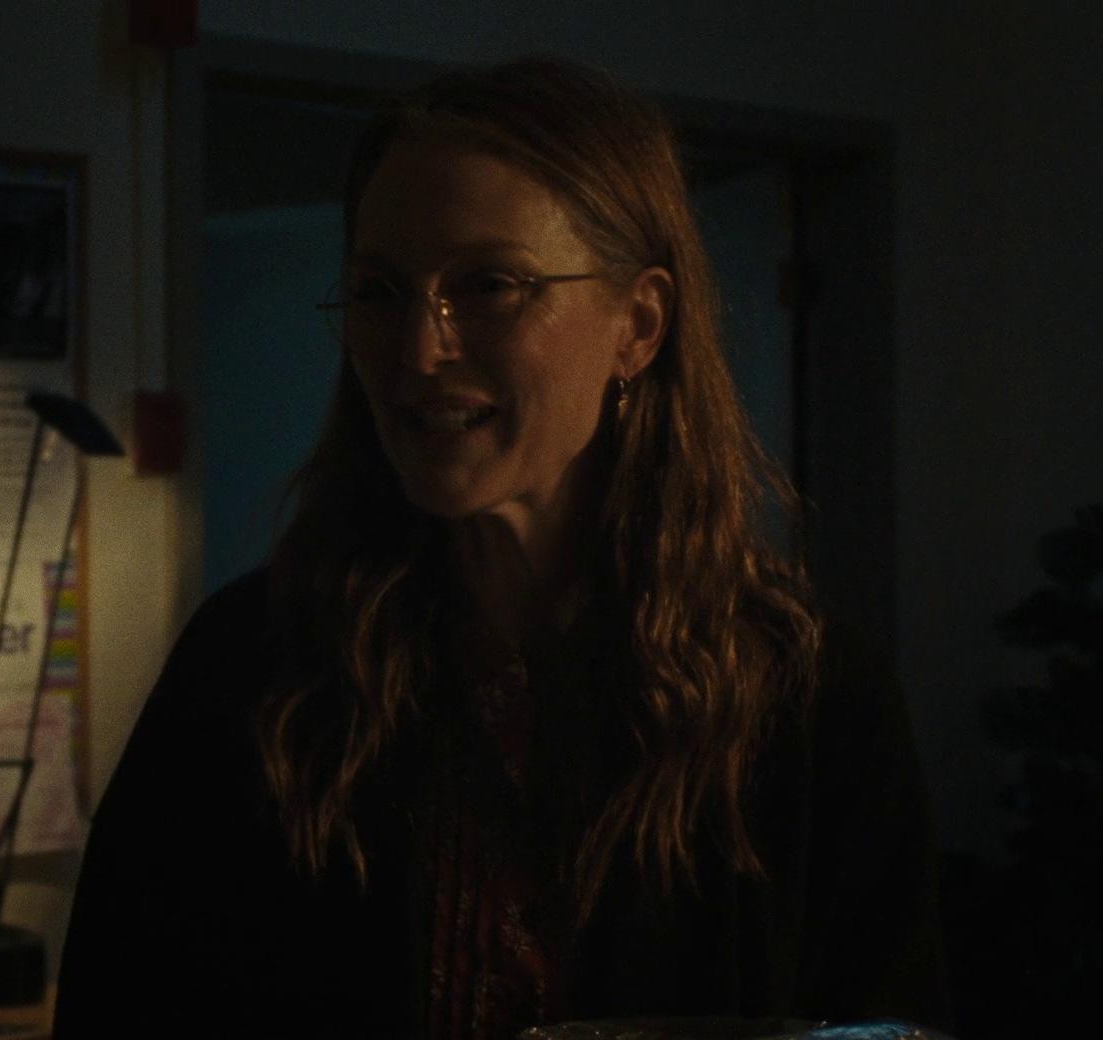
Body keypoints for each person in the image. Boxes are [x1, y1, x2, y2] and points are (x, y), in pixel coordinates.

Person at [56, 58, 948, 1038]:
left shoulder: (802, 696)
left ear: (638, 324)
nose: (420, 351)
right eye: (380, 292)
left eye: (488, 285)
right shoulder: (255, 669)